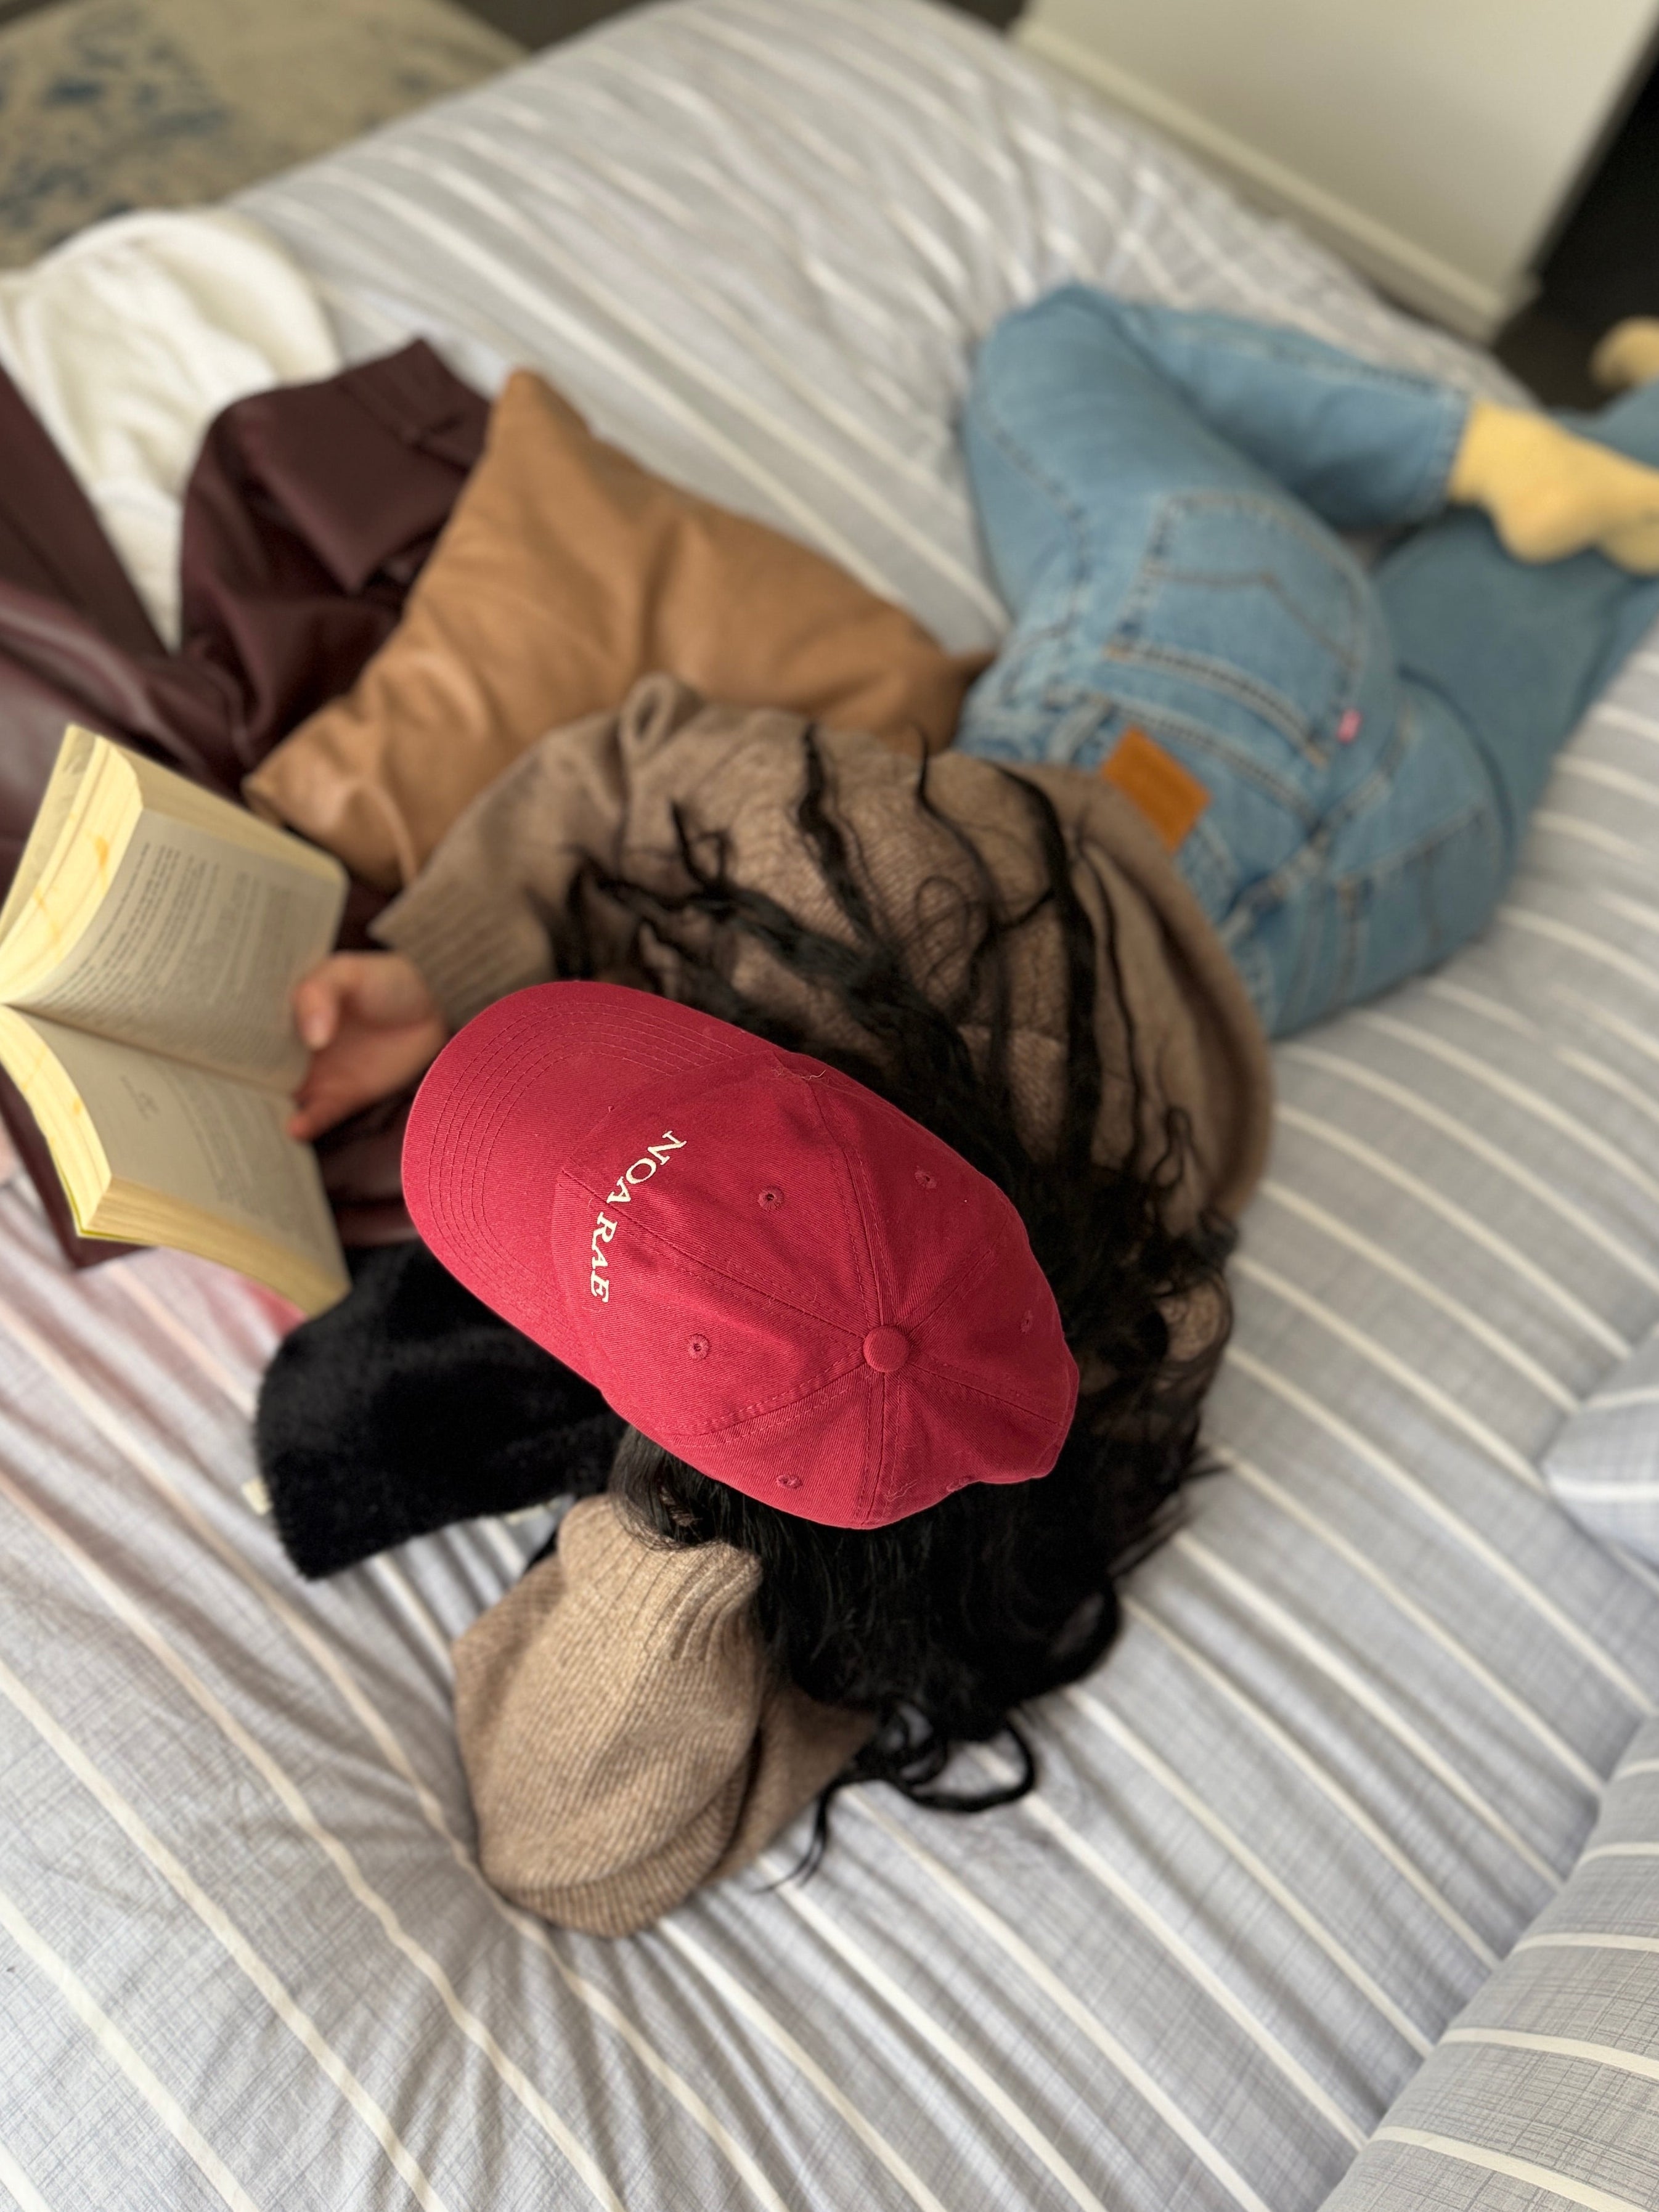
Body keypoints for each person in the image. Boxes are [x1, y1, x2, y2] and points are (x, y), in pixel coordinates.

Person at [259, 296, 1659, 1936]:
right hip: (1207, 672)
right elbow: (637, 764)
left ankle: (1557, 453)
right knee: (1057, 354)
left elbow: (573, 1850)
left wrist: (692, 1530)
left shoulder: (1123, 1346)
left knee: (1489, 569)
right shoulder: (853, 866)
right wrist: (447, 974)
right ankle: (1492, 449)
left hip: (1390, 870)